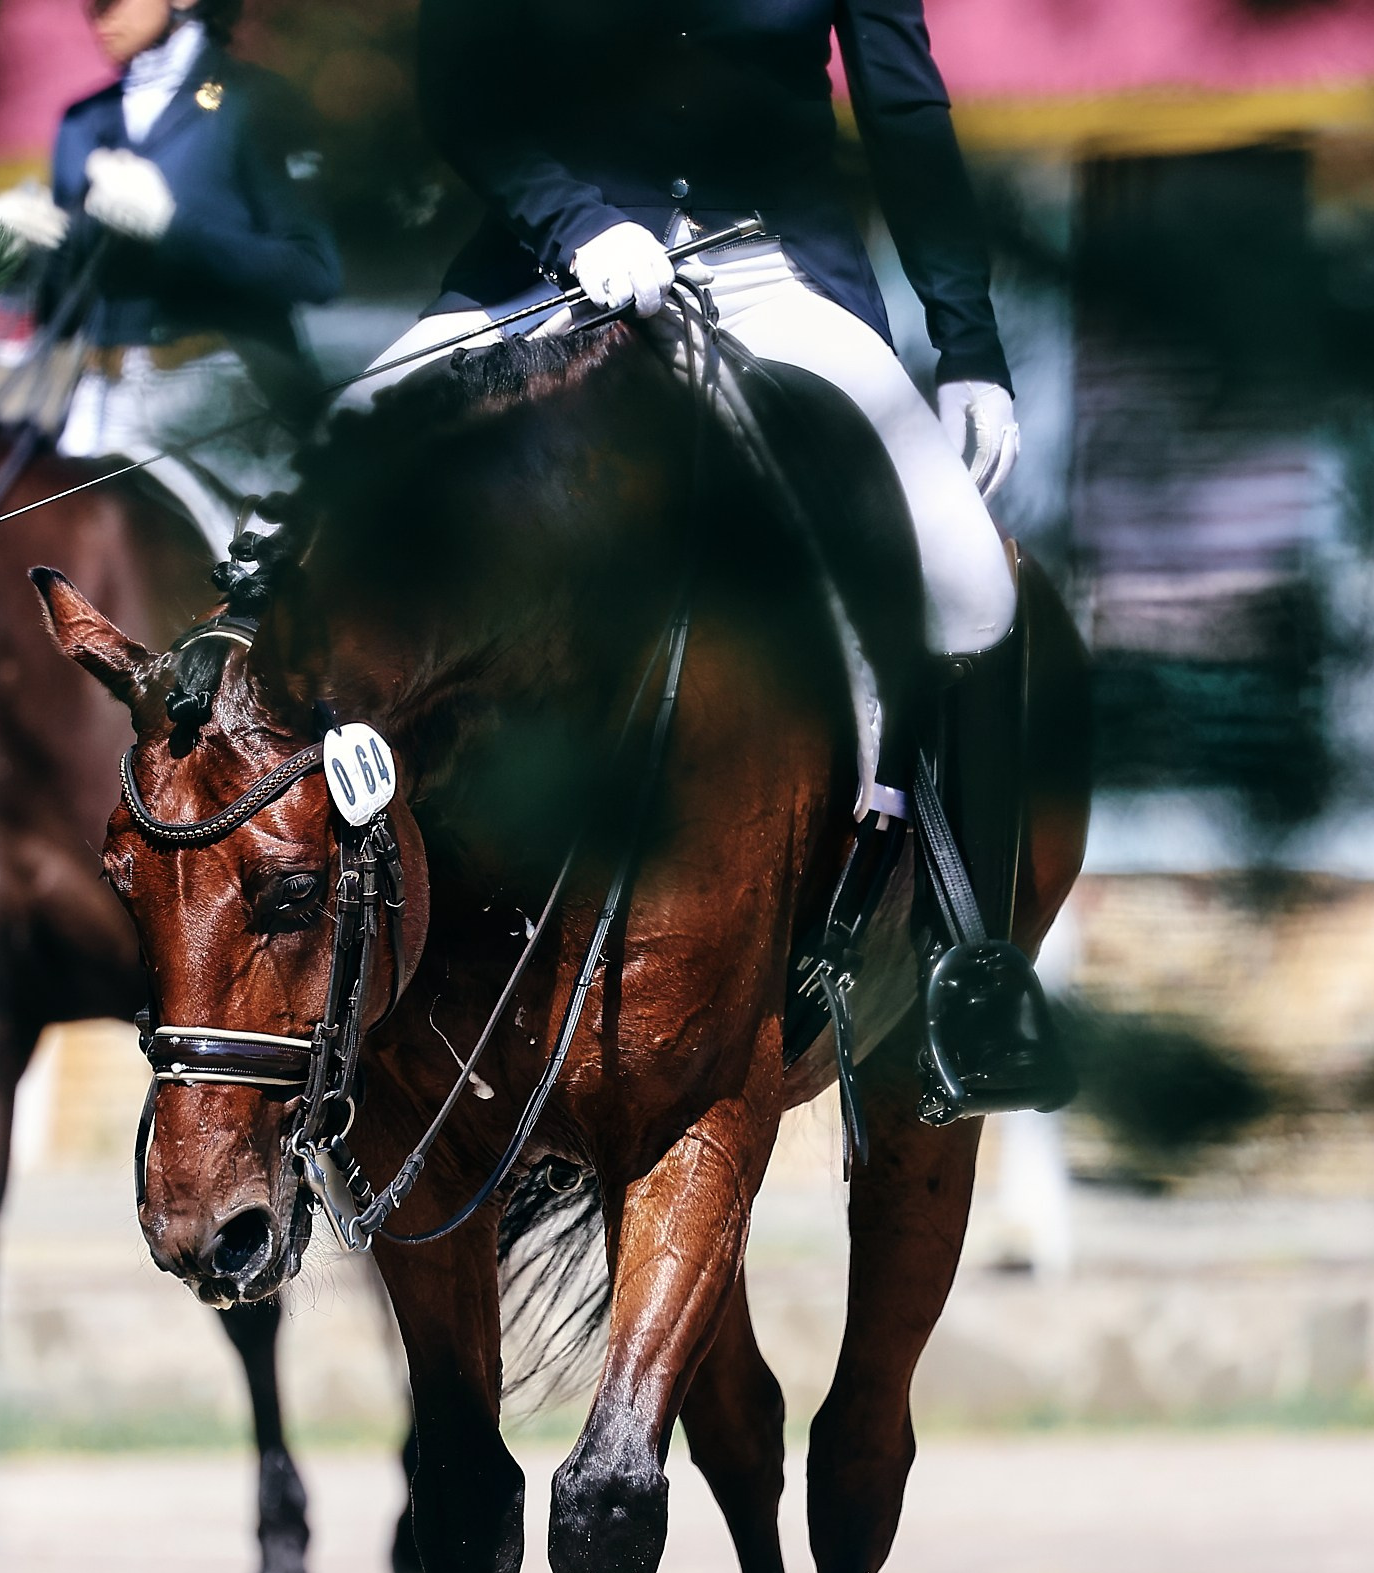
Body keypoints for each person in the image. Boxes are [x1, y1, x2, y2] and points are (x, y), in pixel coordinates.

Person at [345, 0, 1064, 1116]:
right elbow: (459, 78)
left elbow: (904, 109)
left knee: (968, 581)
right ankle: (300, 958)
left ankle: (970, 972)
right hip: (552, 265)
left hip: (774, 272)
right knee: (327, 472)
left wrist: (966, 340)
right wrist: (575, 222)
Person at [0, 0, 340, 557]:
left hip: (222, 396)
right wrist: (12, 264)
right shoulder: (83, 121)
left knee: (252, 576)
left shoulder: (254, 100)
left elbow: (316, 272)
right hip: (102, 401)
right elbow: (61, 312)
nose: (97, 16)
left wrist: (172, 229)